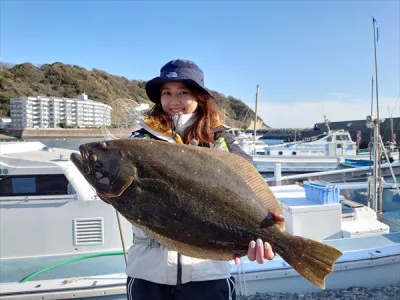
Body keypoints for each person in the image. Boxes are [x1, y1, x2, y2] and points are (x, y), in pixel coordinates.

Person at [126, 59, 283, 300]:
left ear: (199, 97)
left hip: (207, 272)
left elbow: (248, 184)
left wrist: (270, 232)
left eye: (183, 92)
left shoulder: (220, 140)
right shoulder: (138, 141)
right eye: (166, 93)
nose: (173, 100)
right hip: (148, 271)